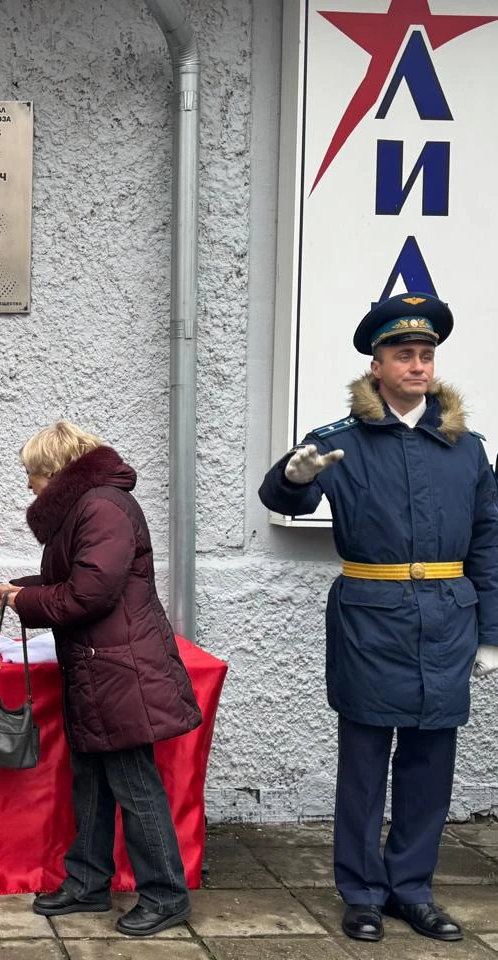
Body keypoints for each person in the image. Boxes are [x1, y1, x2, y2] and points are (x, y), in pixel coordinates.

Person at [259, 292, 498, 944]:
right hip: (370, 623)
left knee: (430, 765)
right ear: (377, 363)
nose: (418, 365)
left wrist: (491, 633)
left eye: (426, 355)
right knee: (364, 767)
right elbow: (285, 495)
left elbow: (487, 541)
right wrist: (292, 476)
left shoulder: (466, 450)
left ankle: (412, 890)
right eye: (404, 354)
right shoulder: (340, 443)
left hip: (447, 623)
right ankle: (362, 893)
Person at [0, 421, 201, 938]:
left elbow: (89, 593)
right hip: (99, 665)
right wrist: (21, 589)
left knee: (133, 785)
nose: (29, 485)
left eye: (33, 474)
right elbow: (76, 578)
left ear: (56, 471)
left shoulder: (102, 506)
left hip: (118, 668)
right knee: (93, 782)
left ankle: (166, 895)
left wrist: (26, 600)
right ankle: (87, 882)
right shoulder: (91, 505)